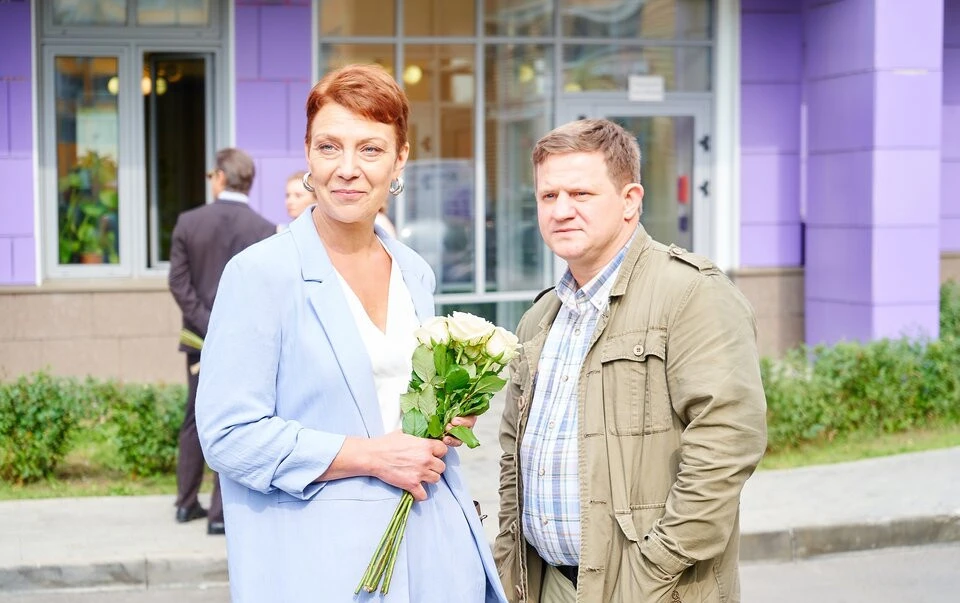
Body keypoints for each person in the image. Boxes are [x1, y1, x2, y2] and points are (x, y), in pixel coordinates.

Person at [195, 64, 507, 603]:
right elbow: (228, 435)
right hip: (322, 566)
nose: (347, 169)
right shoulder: (260, 273)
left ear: (400, 159)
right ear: (308, 155)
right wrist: (370, 456)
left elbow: (393, 404)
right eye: (329, 147)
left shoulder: (414, 271)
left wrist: (444, 420)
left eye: (370, 149)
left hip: (434, 554)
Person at [494, 119, 767, 603]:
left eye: (581, 193)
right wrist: (507, 561)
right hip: (546, 584)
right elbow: (513, 458)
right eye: (548, 196)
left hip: (652, 590)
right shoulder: (540, 318)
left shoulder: (691, 294)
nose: (561, 210)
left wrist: (652, 571)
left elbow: (726, 445)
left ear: (630, 200)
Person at [168, 147, 276, 536]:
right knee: (235, 418)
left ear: (220, 177)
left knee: (194, 418)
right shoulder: (264, 229)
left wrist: (207, 324)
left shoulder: (189, 222)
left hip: (198, 338)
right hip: (244, 341)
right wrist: (226, 328)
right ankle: (219, 513)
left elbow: (178, 282)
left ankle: (185, 503)